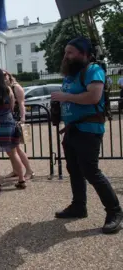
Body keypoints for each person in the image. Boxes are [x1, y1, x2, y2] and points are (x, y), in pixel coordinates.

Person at [51, 37, 123, 234]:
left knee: (91, 171)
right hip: (73, 129)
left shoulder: (93, 70)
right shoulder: (70, 75)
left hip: (88, 130)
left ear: (83, 54)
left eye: (70, 52)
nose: (66, 56)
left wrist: (65, 97)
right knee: (74, 169)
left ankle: (115, 212)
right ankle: (79, 206)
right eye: (66, 52)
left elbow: (94, 96)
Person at [2, 71, 35, 180]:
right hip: (8, 119)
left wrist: (23, 119)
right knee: (10, 149)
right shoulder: (4, 88)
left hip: (15, 120)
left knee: (16, 148)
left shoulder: (16, 87)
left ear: (9, 75)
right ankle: (16, 170)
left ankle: (29, 170)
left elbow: (21, 104)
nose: (3, 77)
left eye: (4, 75)